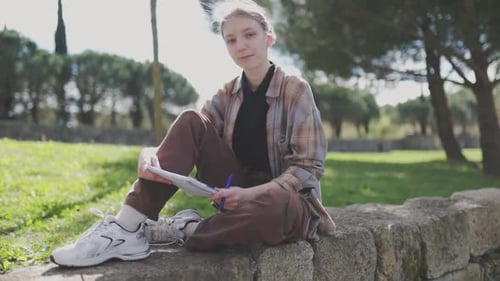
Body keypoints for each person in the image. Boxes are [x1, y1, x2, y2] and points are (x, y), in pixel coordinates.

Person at [50, 0, 335, 267]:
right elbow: (191, 132)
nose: (241, 46)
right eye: (231, 39)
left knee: (277, 210)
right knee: (190, 118)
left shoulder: (295, 90)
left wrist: (250, 197)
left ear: (268, 37)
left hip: (283, 201)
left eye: (249, 34)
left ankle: (188, 229)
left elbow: (308, 169)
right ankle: (126, 227)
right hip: (235, 190)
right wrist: (148, 154)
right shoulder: (226, 93)